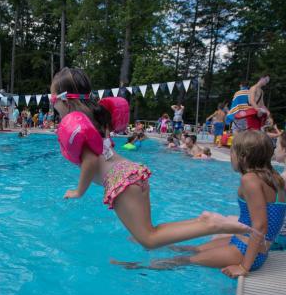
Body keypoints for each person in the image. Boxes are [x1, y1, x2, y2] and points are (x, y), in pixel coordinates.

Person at [52, 67, 250, 250]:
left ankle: (210, 225)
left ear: (66, 101)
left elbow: (91, 161)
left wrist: (79, 191)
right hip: (130, 170)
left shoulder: (80, 125)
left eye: (53, 100)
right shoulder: (98, 115)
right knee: (147, 231)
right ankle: (203, 221)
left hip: (119, 180)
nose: (53, 105)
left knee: (149, 239)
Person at [116, 130, 286, 277]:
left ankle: (137, 267)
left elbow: (261, 225)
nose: (231, 156)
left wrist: (243, 267)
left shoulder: (250, 180)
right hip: (248, 244)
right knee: (193, 249)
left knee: (184, 260)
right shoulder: (276, 178)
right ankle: (148, 242)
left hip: (247, 251)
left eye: (232, 151)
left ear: (243, 156)